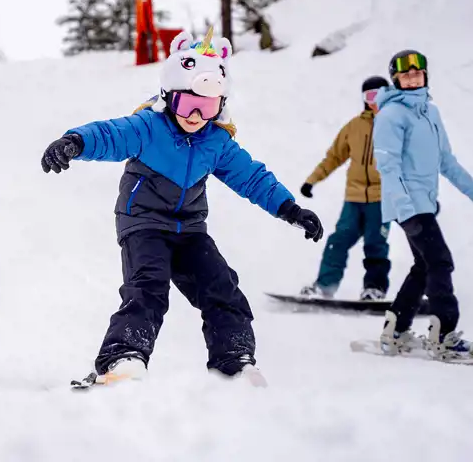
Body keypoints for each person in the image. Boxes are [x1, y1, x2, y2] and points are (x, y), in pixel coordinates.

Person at [41, 30, 323, 385]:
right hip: (143, 224)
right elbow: (111, 134)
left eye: (207, 107)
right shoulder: (149, 127)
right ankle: (122, 358)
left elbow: (251, 178)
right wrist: (74, 142)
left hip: (189, 230)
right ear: (168, 96)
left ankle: (233, 360)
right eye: (187, 104)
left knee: (222, 287)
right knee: (148, 288)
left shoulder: (216, 141)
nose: (196, 115)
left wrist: (290, 209)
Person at [374, 50, 473, 360]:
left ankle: (395, 329)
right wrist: (406, 210)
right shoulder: (391, 115)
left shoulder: (430, 112)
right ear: (396, 80)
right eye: (406, 75)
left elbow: (447, 162)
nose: (413, 78)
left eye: (417, 73)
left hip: (424, 204)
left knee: (424, 266)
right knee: (440, 262)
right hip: (408, 205)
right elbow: (388, 167)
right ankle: (444, 336)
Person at [298, 76, 391, 301]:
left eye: (381, 94)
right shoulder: (354, 127)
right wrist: (312, 180)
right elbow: (334, 157)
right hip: (354, 199)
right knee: (338, 241)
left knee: (375, 244)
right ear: (364, 99)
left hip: (382, 199)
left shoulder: (395, 126)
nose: (375, 100)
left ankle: (374, 289)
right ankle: (324, 286)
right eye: (370, 96)